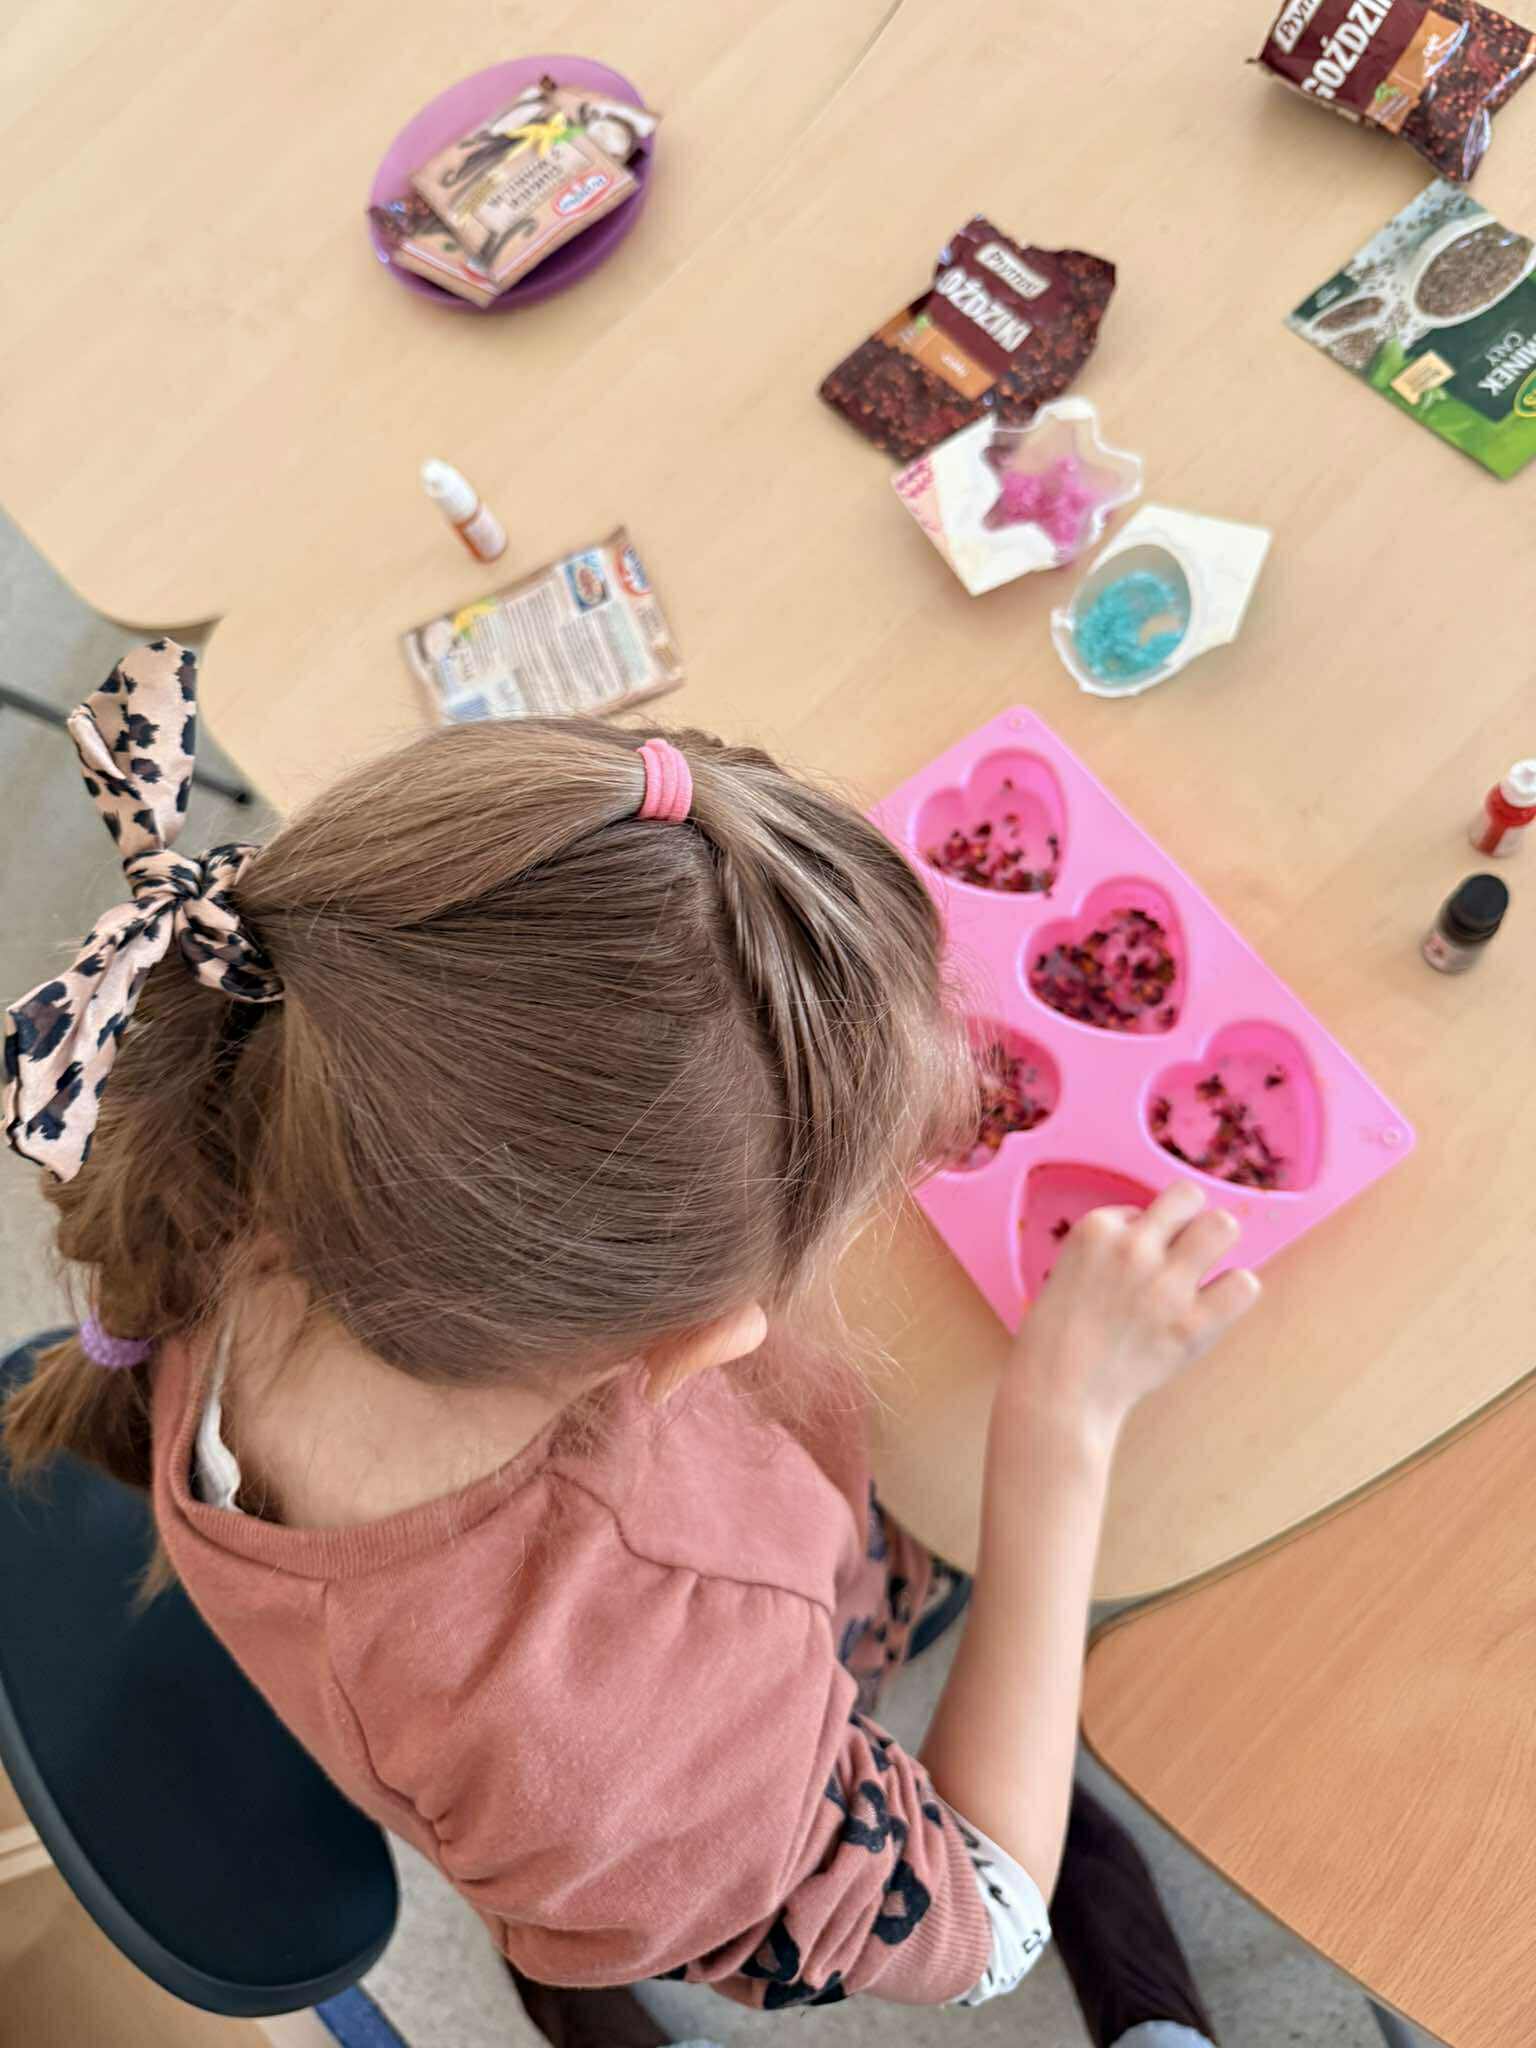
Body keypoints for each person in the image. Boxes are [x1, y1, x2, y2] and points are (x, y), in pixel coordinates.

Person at [3, 641, 1258, 2046]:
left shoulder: (255, 1132)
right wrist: (1060, 1433)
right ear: (695, 1350)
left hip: (518, 1759)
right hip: (651, 1783)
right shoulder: (642, 1726)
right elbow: (992, 1920)